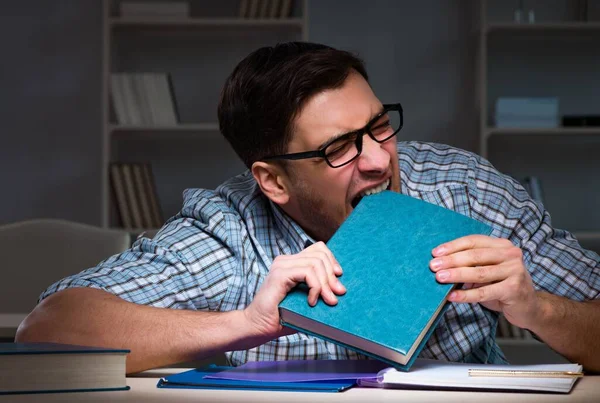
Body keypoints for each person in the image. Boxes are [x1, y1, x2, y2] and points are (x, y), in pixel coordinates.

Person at [16, 42, 600, 374]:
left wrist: (539, 308)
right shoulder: (227, 231)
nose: (377, 161)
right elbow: (47, 331)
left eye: (377, 127)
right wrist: (244, 325)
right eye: (339, 148)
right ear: (273, 180)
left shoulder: (465, 188)